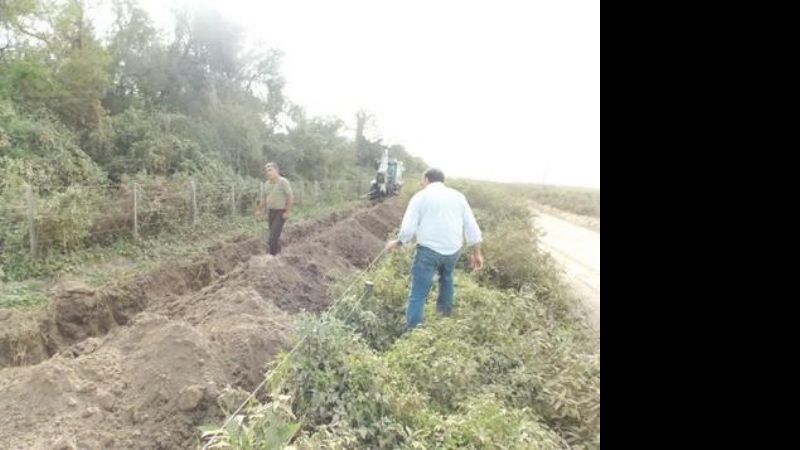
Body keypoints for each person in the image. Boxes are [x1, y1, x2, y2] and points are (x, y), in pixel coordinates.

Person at [385, 168, 483, 329]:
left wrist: (400, 242)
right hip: (453, 250)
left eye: (421, 180)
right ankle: (443, 320)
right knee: (447, 279)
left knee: (419, 292)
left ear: (426, 179)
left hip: (427, 251)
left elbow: (408, 228)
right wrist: (476, 253)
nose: (420, 183)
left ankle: (414, 331)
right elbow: (471, 226)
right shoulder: (458, 197)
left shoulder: (420, 197)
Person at [255, 162, 293, 255]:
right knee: (274, 236)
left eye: (270, 170)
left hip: (280, 213)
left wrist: (287, 212)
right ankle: (279, 254)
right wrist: (259, 209)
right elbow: (264, 198)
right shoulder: (266, 184)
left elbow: (290, 196)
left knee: (272, 237)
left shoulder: (283, 182)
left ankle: (272, 257)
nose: (268, 172)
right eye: (266, 171)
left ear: (276, 170)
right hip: (271, 212)